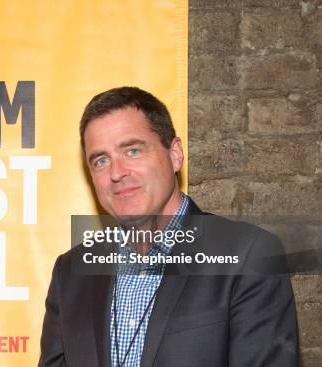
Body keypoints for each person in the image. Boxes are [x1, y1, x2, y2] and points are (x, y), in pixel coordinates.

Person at [38, 87, 297, 367]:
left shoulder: (249, 256)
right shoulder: (70, 272)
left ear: (175, 154)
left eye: (133, 151)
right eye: (101, 160)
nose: (116, 173)